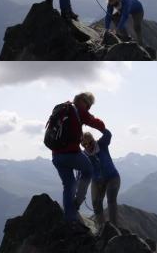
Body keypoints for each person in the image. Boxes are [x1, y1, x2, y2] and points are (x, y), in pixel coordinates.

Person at [51, 92, 105, 224]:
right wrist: (104, 128)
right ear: (85, 102)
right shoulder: (79, 110)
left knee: (68, 185)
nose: (89, 108)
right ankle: (78, 202)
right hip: (71, 154)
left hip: (56, 156)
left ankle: (70, 218)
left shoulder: (64, 108)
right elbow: (97, 124)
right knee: (88, 170)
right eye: (89, 105)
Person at [82, 129, 121, 228]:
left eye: (90, 143)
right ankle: (101, 228)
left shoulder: (102, 144)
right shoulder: (83, 156)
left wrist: (95, 124)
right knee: (96, 203)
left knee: (111, 200)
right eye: (84, 144)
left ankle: (114, 228)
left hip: (112, 177)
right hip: (97, 181)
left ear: (93, 140)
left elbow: (108, 134)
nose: (88, 146)